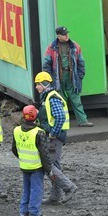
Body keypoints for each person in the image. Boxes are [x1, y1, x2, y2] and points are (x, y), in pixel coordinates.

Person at [34, 72, 78, 205]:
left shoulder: (52, 98)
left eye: (38, 84)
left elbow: (59, 117)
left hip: (54, 137)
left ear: (44, 84)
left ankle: (69, 187)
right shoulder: (48, 97)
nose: (36, 87)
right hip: (55, 136)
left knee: (48, 165)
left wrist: (53, 133)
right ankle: (55, 196)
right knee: (55, 165)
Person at [42, 26, 93, 127]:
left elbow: (81, 62)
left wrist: (80, 75)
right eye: (64, 34)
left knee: (76, 99)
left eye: (67, 34)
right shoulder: (51, 48)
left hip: (71, 77)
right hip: (57, 78)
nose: (67, 36)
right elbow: (46, 64)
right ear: (58, 36)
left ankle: (83, 121)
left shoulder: (75, 46)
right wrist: (49, 79)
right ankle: (61, 122)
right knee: (60, 100)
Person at [11, 105, 52, 216]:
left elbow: (14, 149)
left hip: (24, 165)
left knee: (26, 189)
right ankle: (34, 212)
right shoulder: (39, 132)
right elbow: (44, 154)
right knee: (36, 190)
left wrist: (23, 157)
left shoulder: (17, 130)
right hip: (36, 166)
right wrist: (49, 169)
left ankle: (23, 212)